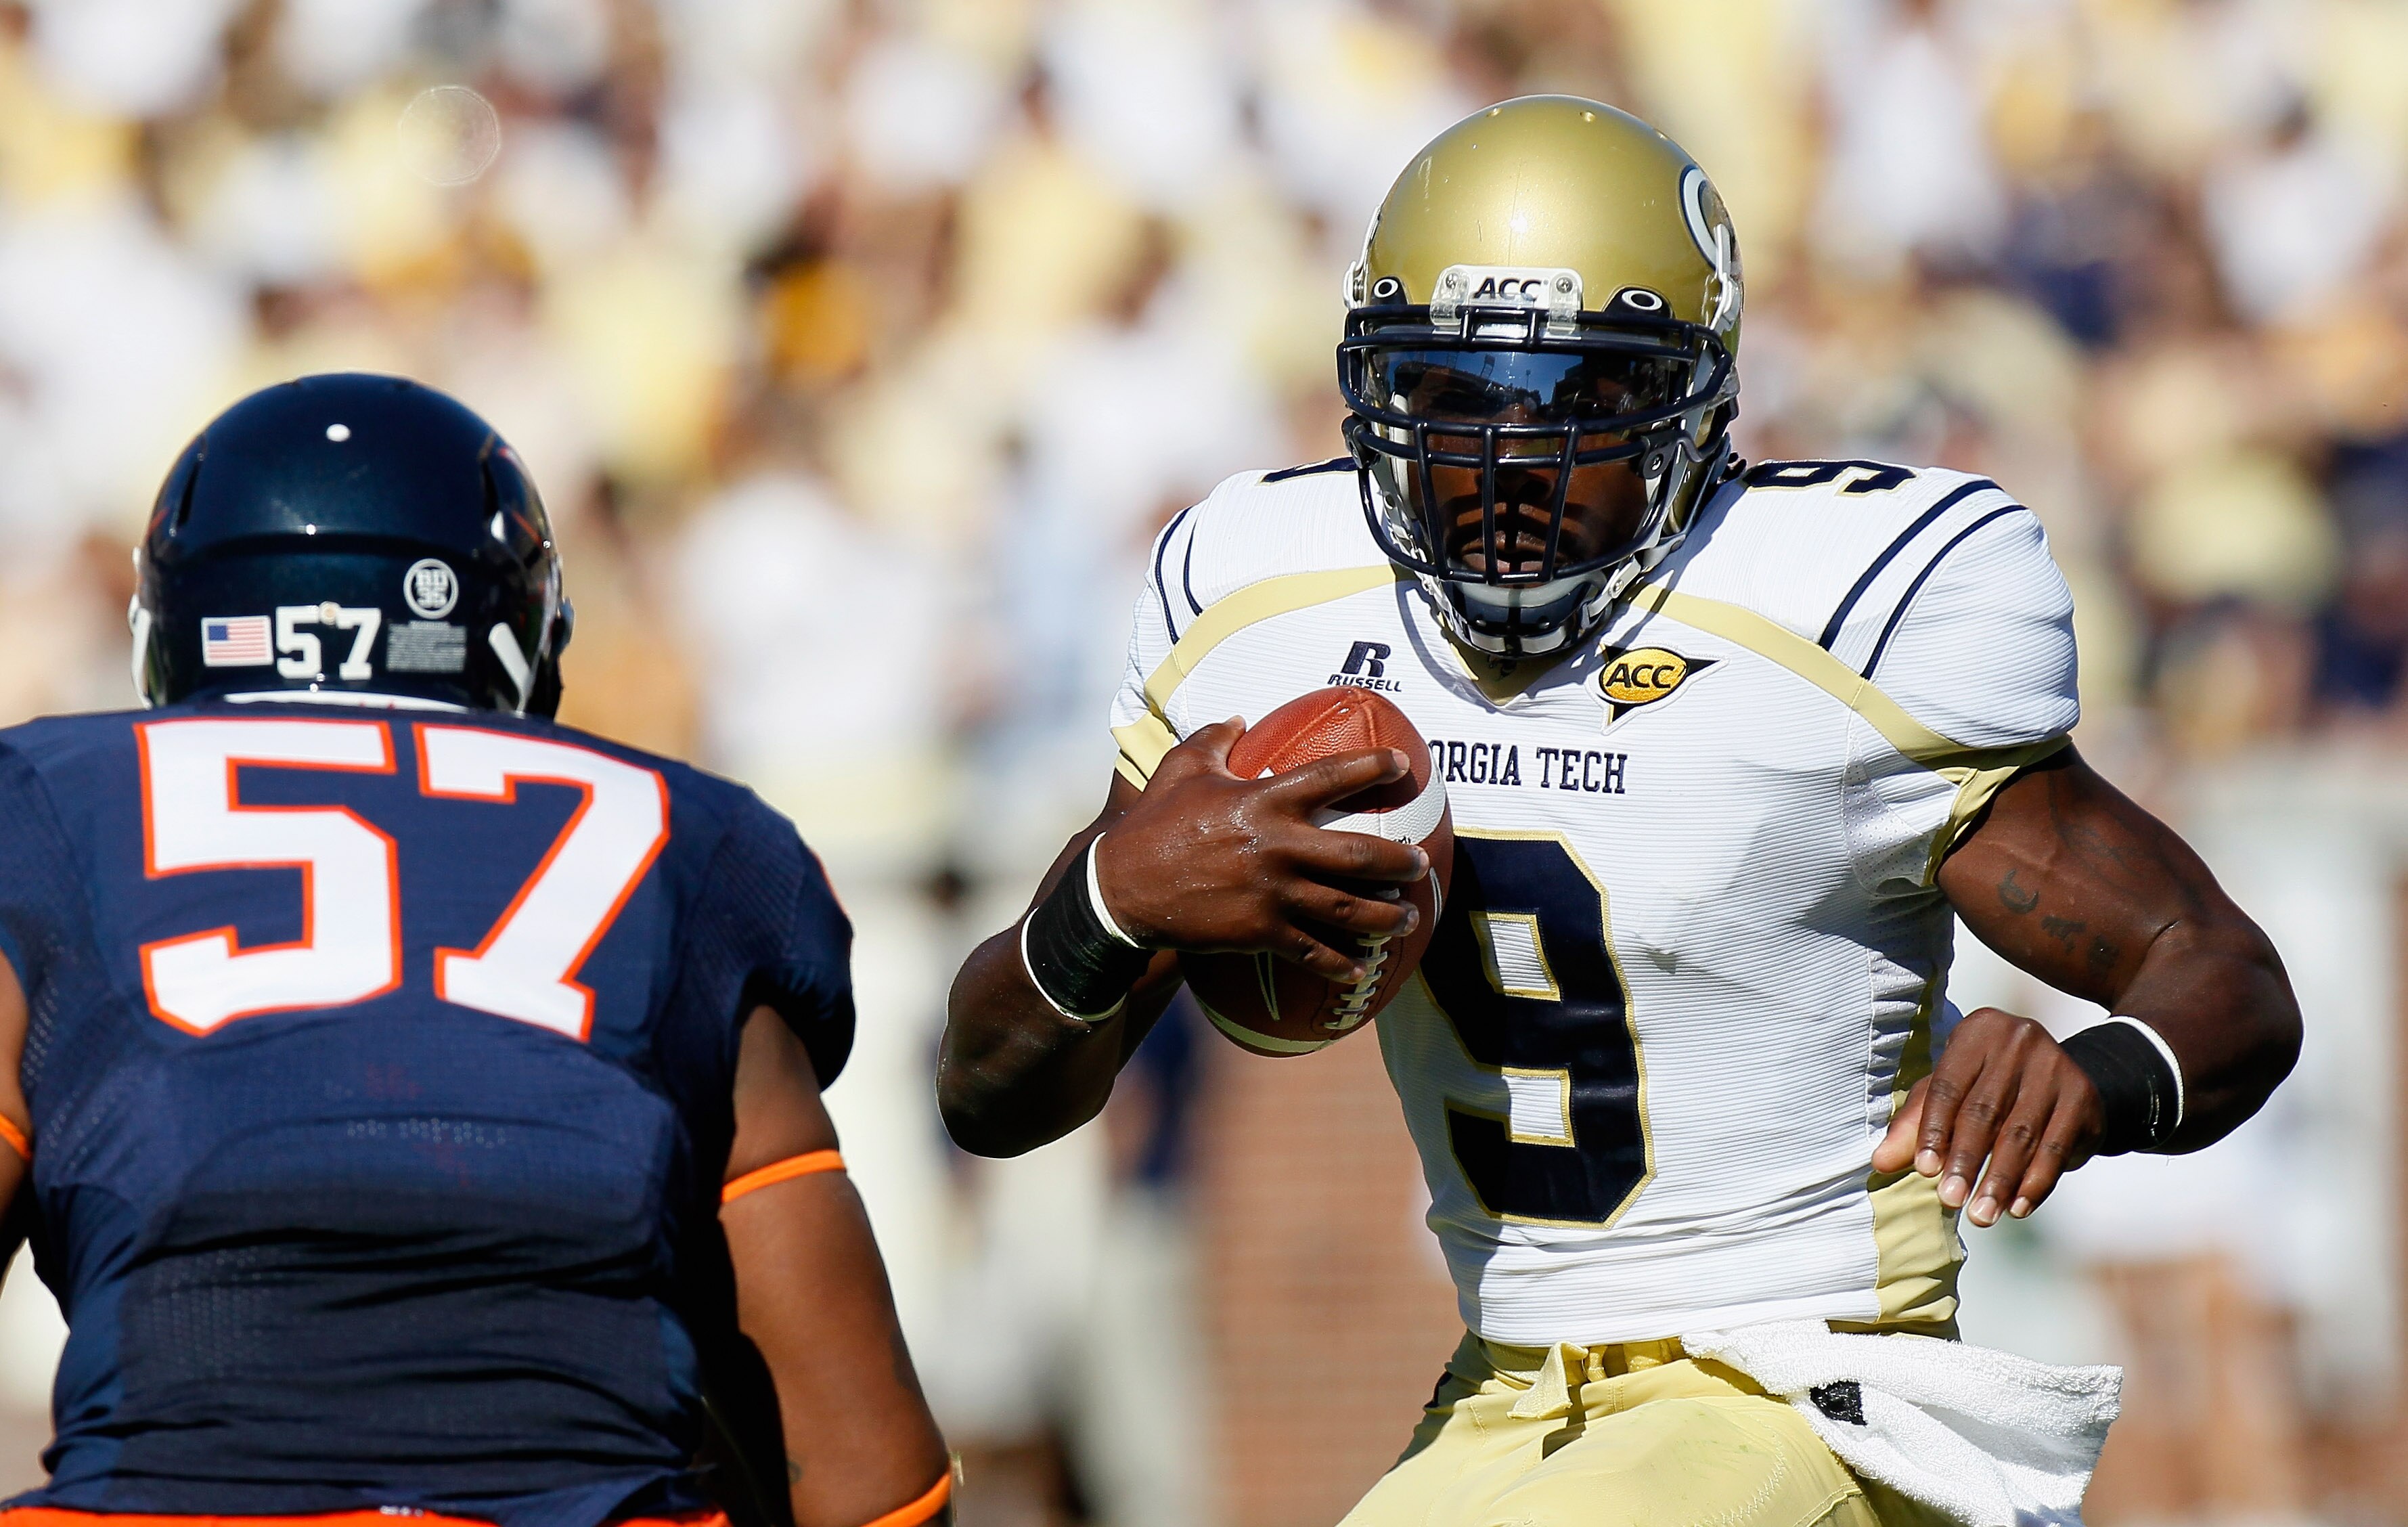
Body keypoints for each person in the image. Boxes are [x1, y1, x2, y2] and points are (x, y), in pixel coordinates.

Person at [936, 98, 2301, 1525]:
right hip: (1507, 1393)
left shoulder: (1840, 606)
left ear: (1698, 404)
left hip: (1810, 1392)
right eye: (1449, 397)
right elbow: (988, 1094)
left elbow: (2228, 978)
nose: (1503, 467)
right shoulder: (1266, 598)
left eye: (1577, 401)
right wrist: (1101, 906)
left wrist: (2102, 1077)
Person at [0, 376, 949, 1527]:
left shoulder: (50, 806)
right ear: (523, 632)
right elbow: (874, 1477)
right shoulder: (693, 847)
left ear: (171, 628)